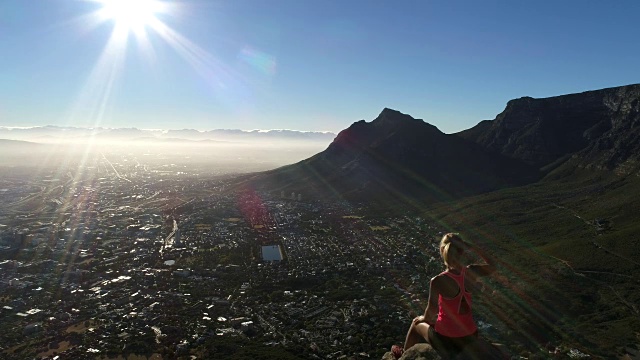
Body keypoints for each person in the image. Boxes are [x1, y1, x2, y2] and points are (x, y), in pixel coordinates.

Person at [392, 233, 497, 360]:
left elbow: (431, 312)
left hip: (447, 340)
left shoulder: (438, 280)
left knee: (415, 324)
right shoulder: (471, 271)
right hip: (471, 335)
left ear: (443, 251)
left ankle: (403, 355)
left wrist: (423, 318)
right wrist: (473, 247)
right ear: (462, 251)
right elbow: (493, 265)